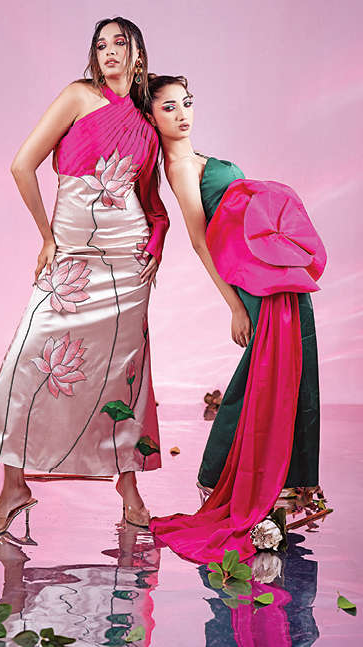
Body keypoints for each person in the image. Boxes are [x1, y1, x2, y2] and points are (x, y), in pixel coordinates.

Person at [0, 18, 169, 536]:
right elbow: (22, 165)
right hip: (73, 254)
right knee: (28, 360)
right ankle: (13, 488)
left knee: (124, 371)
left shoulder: (147, 115)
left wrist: (158, 240)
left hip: (128, 259)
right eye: (100, 45)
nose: (109, 52)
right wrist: (47, 237)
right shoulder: (79, 96)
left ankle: (129, 487)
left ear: (138, 53)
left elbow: (151, 196)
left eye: (119, 43)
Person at [145, 75, 326, 563]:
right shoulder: (179, 167)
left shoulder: (198, 157)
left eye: (186, 103)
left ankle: (285, 489)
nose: (182, 114)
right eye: (168, 107)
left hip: (272, 266)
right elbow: (200, 240)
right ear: (152, 117)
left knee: (296, 367)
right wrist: (233, 305)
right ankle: (230, 478)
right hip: (251, 278)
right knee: (267, 374)